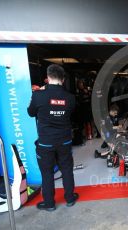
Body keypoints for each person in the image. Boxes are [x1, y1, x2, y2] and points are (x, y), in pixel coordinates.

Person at [27, 64, 78, 211]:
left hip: (46, 142)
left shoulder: (38, 95)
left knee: (47, 173)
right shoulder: (70, 98)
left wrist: (41, 95)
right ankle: (69, 199)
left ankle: (49, 204)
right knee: (67, 169)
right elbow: (70, 113)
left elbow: (30, 113)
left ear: (48, 78)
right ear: (63, 79)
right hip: (65, 140)